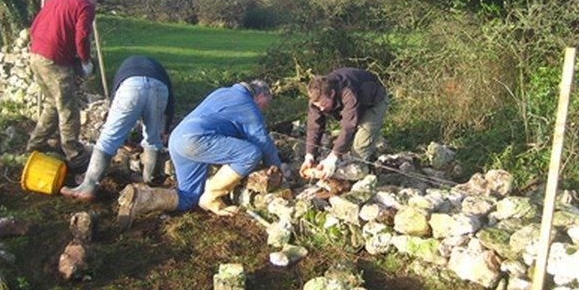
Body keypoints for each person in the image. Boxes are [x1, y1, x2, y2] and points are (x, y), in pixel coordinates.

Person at [117, 80, 282, 228]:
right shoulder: (247, 105)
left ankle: (142, 198)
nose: (261, 112)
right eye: (263, 107)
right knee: (251, 154)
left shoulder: (222, 92)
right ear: (259, 97)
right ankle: (212, 196)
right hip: (196, 140)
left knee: (188, 197)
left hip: (178, 139)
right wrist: (277, 169)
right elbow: (262, 141)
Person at [60, 55, 175, 201]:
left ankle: (87, 188)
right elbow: (170, 106)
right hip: (160, 88)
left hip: (131, 86)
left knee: (107, 140)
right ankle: (148, 183)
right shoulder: (158, 70)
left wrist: (122, 139)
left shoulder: (127, 68)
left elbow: (117, 109)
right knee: (153, 140)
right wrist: (163, 131)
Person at [26, 0, 105, 173]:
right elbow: (82, 36)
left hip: (36, 55)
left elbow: (34, 27)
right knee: (68, 108)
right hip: (55, 60)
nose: (96, 3)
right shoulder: (85, 5)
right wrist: (85, 60)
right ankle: (75, 156)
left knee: (52, 103)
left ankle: (35, 144)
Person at [299, 67, 388, 180]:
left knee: (359, 148)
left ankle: (361, 175)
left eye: (323, 104)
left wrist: (332, 158)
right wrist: (309, 156)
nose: (321, 109)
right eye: (318, 106)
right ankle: (369, 140)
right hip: (353, 105)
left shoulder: (348, 92)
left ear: (332, 93)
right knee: (344, 141)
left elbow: (348, 127)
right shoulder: (316, 97)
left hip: (373, 101)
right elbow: (314, 127)